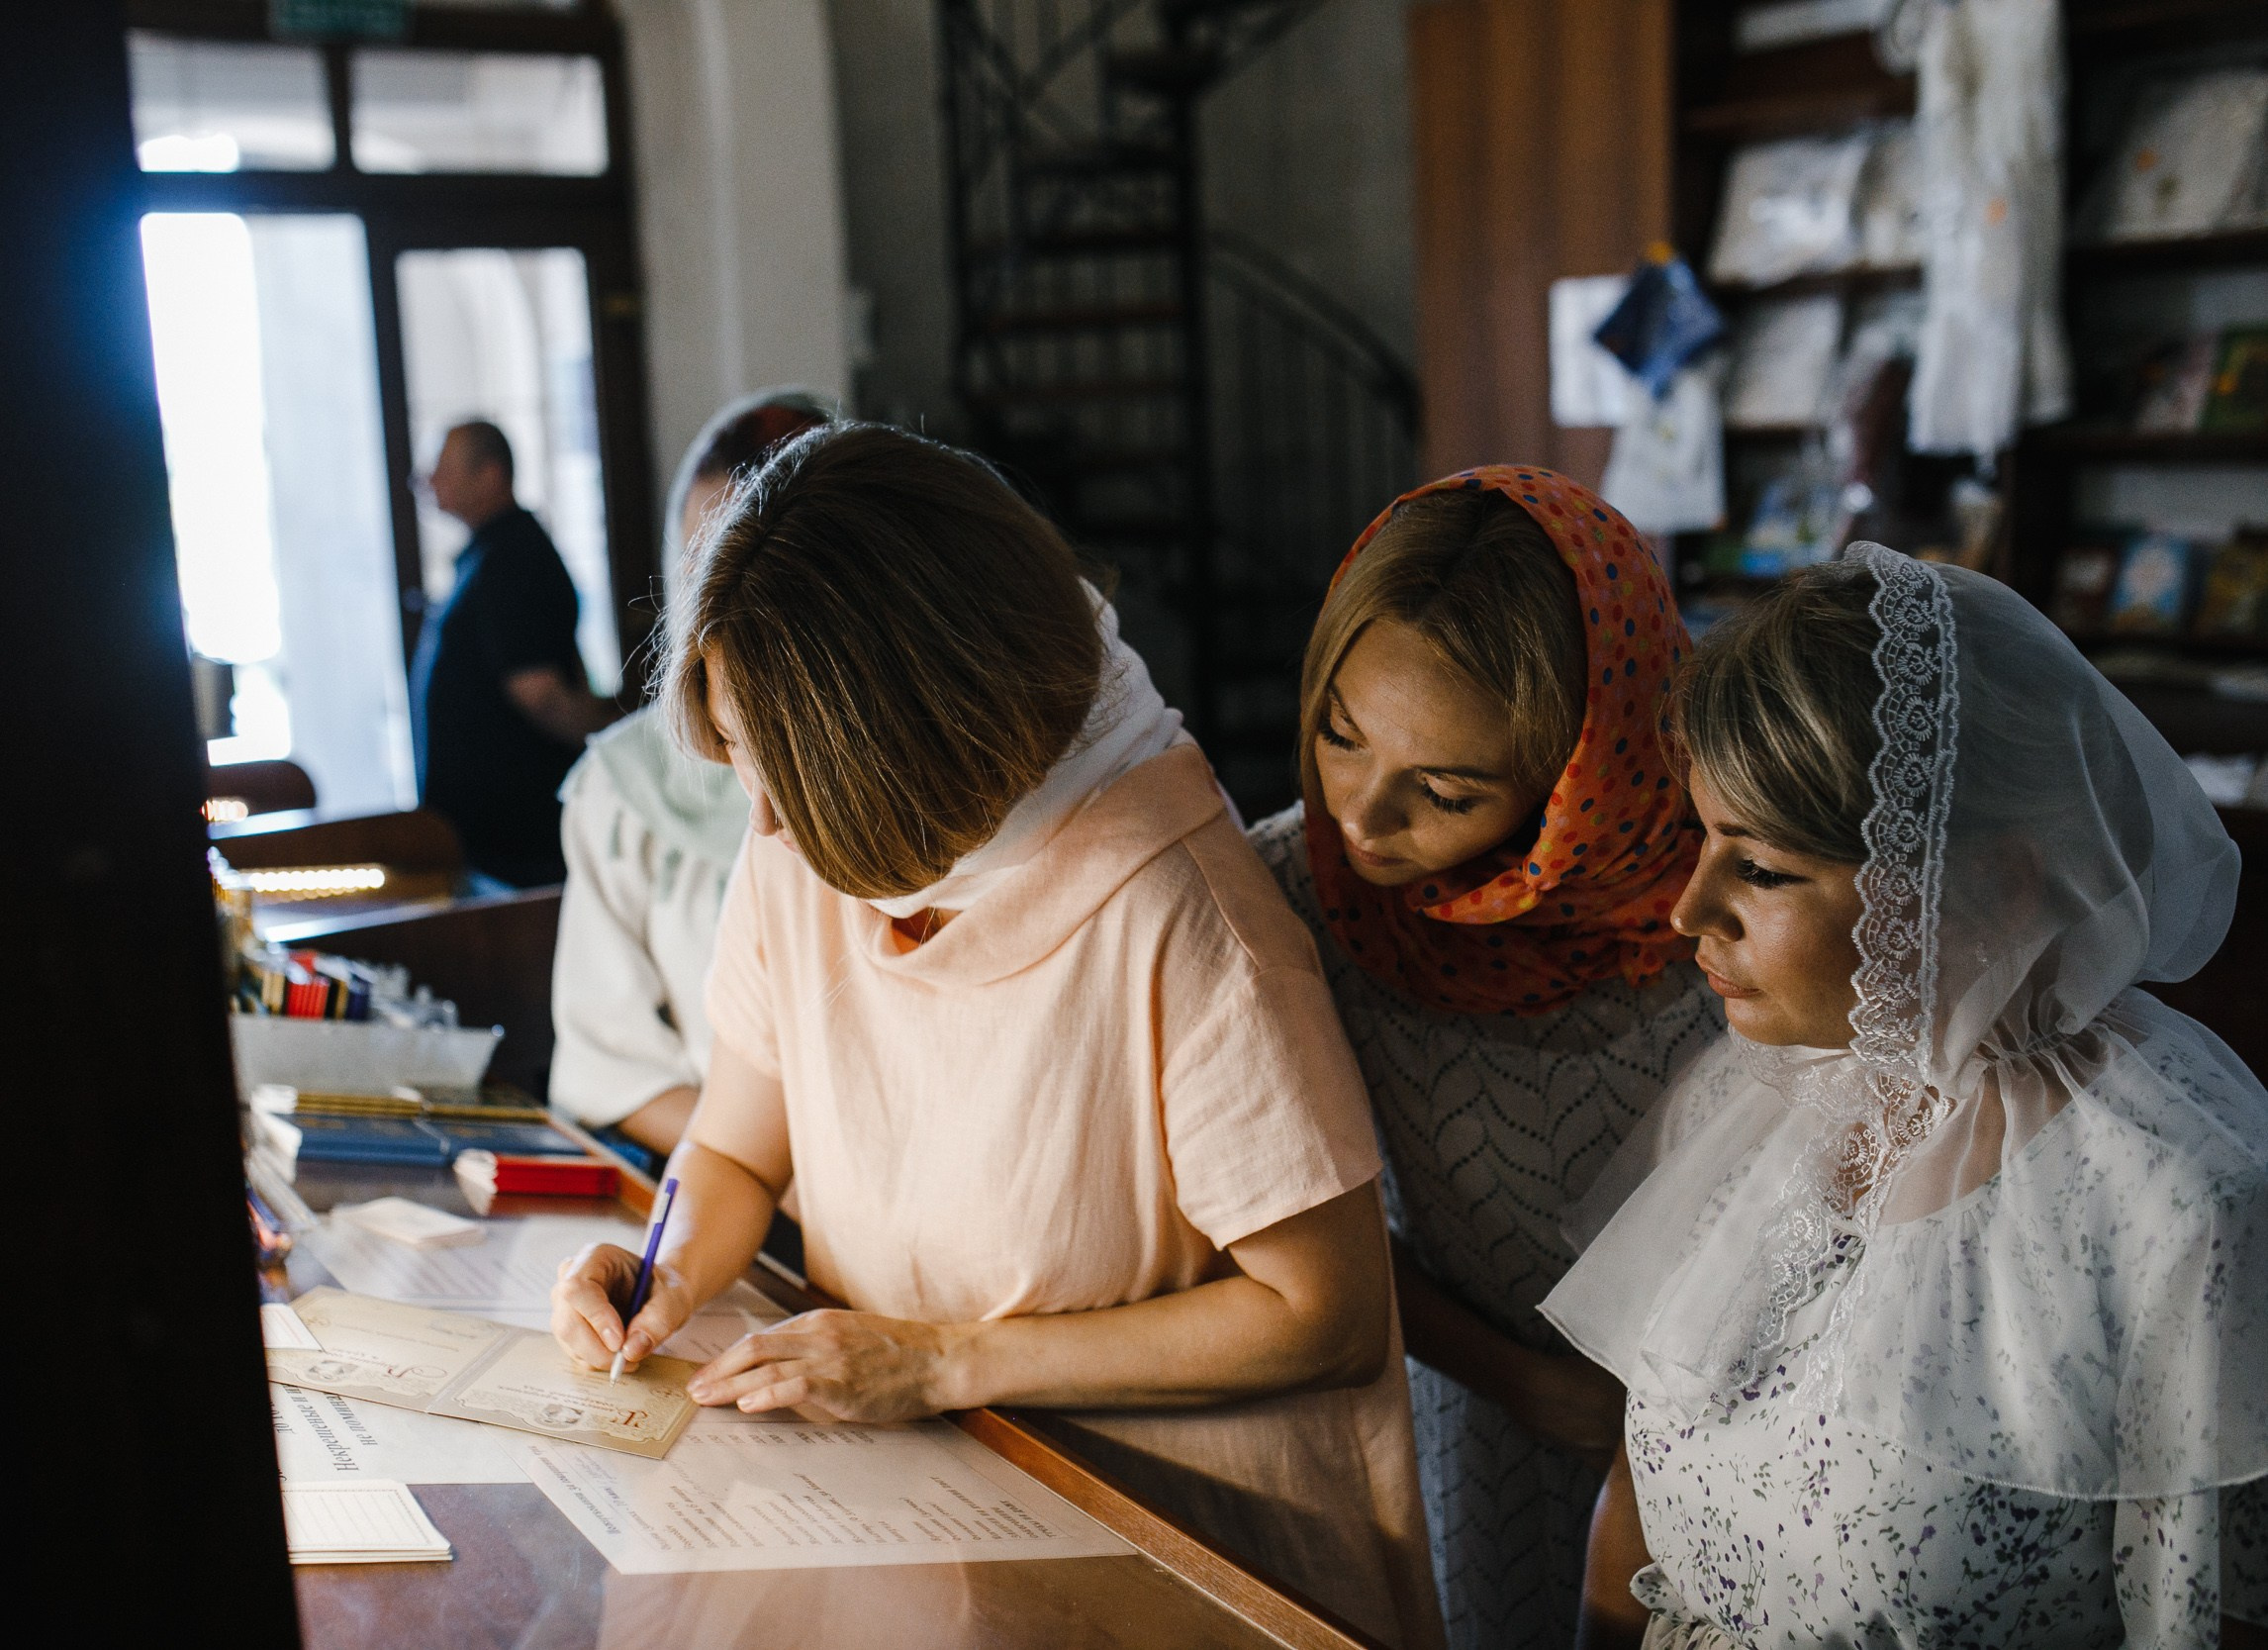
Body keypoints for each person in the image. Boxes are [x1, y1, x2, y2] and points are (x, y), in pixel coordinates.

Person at [550, 423, 1446, 1648]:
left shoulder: (1179, 911)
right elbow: (736, 1152)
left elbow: (1326, 1315)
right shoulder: (804, 844)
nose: (757, 820)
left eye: (780, 770)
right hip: (921, 1496)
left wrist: (946, 1361)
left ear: (915, 749)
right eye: (743, 762)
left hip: (1178, 1548)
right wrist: (666, 1276)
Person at [1542, 543, 2268, 1650]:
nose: (1688, 908)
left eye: (1763, 868)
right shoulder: (1743, 1103)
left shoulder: (2177, 1205)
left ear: (1994, 879)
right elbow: (1634, 1508)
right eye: (1703, 839)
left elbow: (2196, 1619)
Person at [1247, 466, 1726, 1650]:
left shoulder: (1729, 892)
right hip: (1463, 1407)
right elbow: (1281, 1226)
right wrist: (1522, 1382)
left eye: (1445, 791)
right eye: (1337, 734)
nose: (1359, 815)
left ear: (1584, 776)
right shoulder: (1289, 898)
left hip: (1738, 1431)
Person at [548, 389, 834, 1155]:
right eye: (701, 566)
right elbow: (611, 1065)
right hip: (739, 1185)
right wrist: (784, 1186)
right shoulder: (624, 789)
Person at [410, 419, 614, 888]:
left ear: (491, 474)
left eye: (443, 468)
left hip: (519, 841)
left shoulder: (514, 558)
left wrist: (614, 747)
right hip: (485, 841)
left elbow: (541, 694)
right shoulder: (487, 552)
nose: (428, 481)